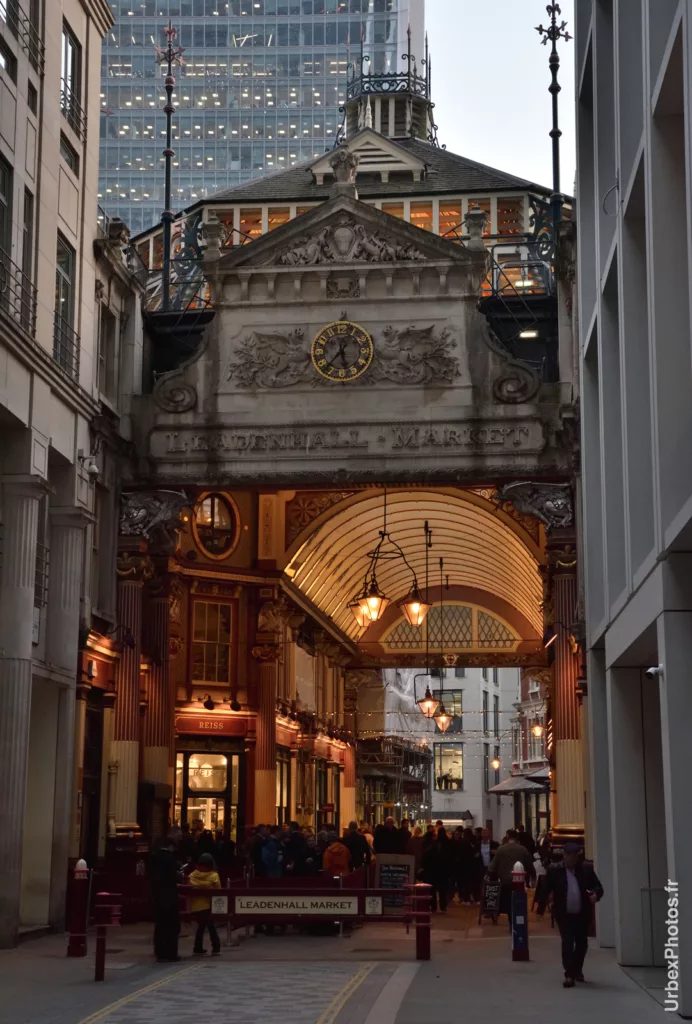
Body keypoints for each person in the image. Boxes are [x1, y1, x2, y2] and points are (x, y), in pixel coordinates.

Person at [538, 841, 603, 987]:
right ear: (564, 856)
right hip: (564, 913)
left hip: (581, 913)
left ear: (577, 856)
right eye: (567, 855)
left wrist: (596, 895)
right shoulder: (555, 870)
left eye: (572, 856)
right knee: (567, 941)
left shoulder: (585, 870)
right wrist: (542, 907)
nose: (569, 859)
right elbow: (545, 889)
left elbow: (598, 887)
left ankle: (577, 968)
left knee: (581, 943)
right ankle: (569, 974)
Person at [488, 829, 534, 932]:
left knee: (508, 904)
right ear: (517, 839)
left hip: (505, 882)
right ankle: (518, 923)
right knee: (519, 903)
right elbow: (529, 865)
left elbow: (492, 867)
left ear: (507, 837)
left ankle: (511, 922)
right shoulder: (523, 850)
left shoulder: (501, 849)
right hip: (519, 882)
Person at [149, 835, 181, 963]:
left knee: (160, 925)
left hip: (157, 895)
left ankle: (160, 952)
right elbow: (173, 877)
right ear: (171, 846)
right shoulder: (170, 859)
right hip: (170, 895)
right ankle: (170, 953)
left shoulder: (153, 857)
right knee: (172, 926)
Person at [189, 852, 222, 956]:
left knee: (201, 926)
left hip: (195, 906)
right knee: (211, 927)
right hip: (209, 905)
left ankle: (198, 947)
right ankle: (216, 947)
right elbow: (218, 890)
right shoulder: (214, 876)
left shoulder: (192, 875)